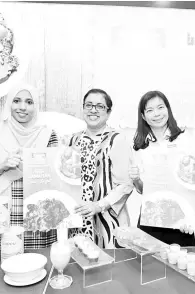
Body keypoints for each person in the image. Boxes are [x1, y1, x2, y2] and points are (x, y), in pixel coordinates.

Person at [0, 83, 59, 249]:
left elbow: (57, 178)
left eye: (29, 102)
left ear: (36, 106)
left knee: (40, 265)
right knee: (6, 264)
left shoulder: (48, 134)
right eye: (17, 101)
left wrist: (35, 166)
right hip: (3, 214)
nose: (22, 107)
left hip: (39, 214)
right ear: (9, 104)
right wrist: (2, 166)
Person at [129, 90, 195, 246]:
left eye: (160, 107)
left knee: (181, 266)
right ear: (143, 116)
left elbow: (193, 181)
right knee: (148, 267)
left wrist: (190, 216)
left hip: (181, 222)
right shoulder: (140, 146)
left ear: (168, 109)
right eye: (149, 110)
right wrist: (136, 179)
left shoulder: (186, 140)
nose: (156, 114)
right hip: (151, 218)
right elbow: (143, 189)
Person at [69, 89, 133, 249]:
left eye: (100, 106)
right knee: (80, 264)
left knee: (110, 268)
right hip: (78, 218)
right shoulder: (73, 139)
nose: (93, 110)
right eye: (89, 105)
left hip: (108, 219)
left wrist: (98, 206)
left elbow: (125, 185)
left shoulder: (116, 139)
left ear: (108, 112)